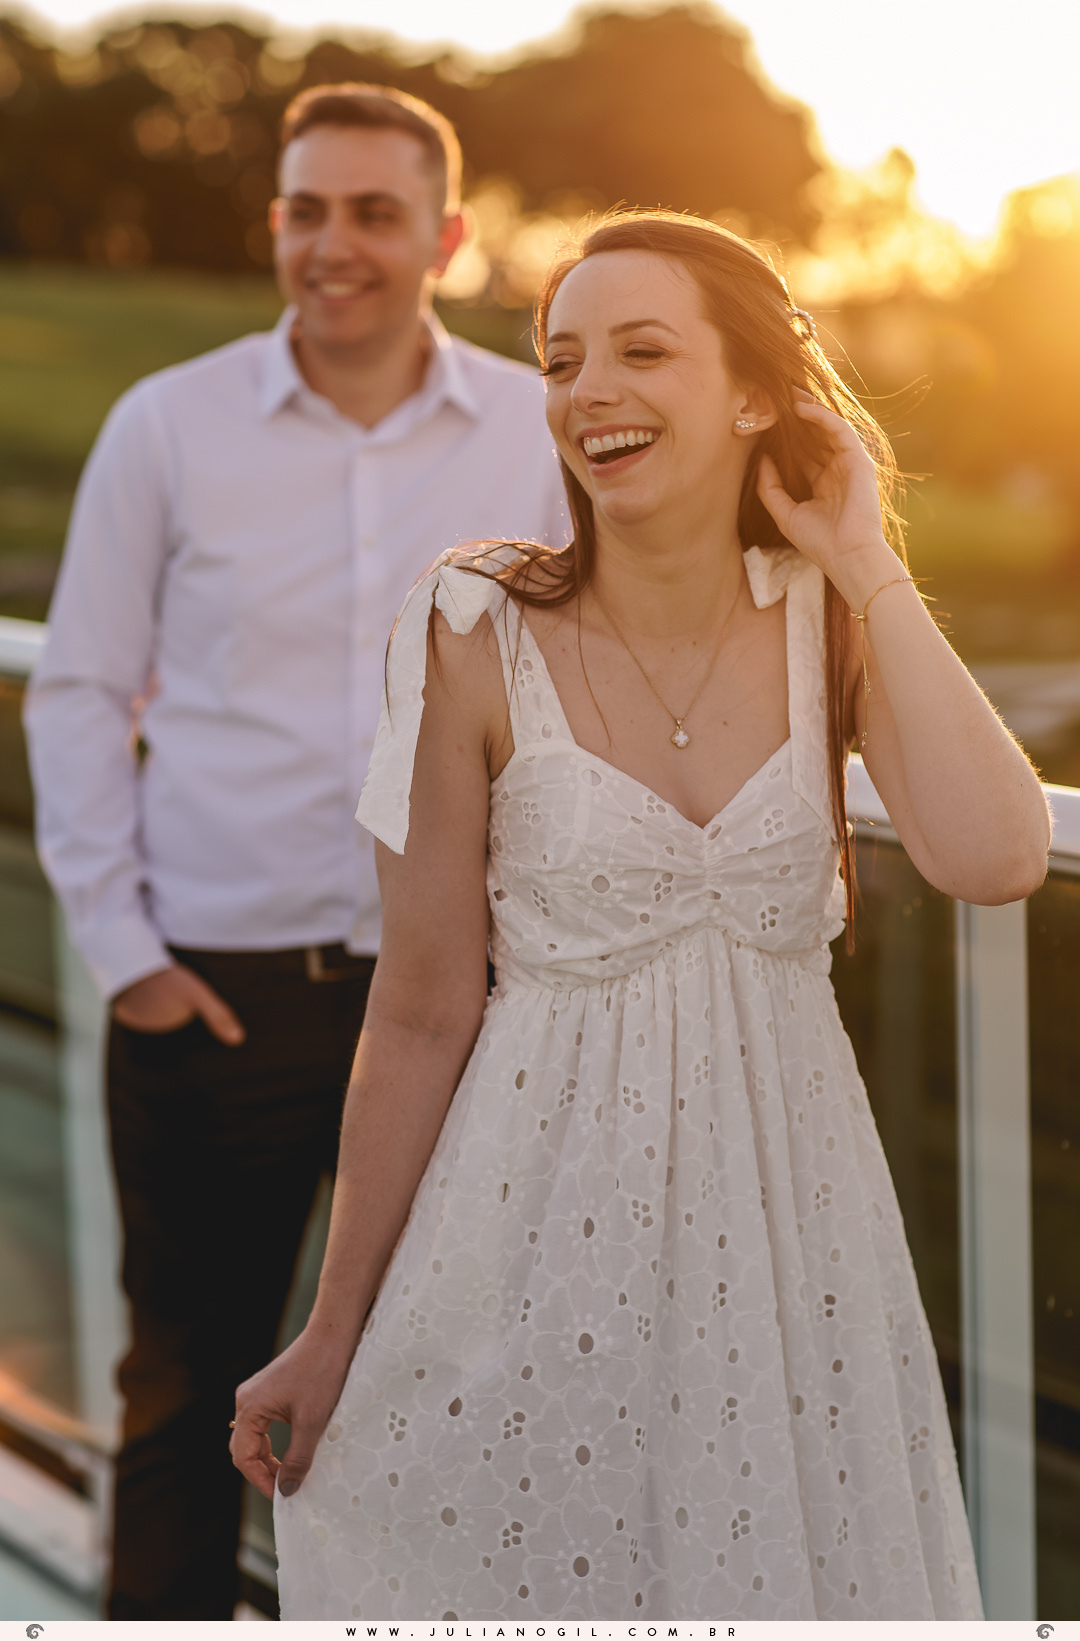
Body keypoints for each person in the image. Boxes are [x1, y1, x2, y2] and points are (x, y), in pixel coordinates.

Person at [231, 211, 1049, 1620]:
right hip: (528, 1238)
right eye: (561, 360)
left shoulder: (827, 619)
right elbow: (423, 1006)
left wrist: (865, 554)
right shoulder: (469, 625)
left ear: (751, 394)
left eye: (642, 350)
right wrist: (331, 1325)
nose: (586, 389)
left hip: (791, 1252)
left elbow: (996, 852)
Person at [25, 84, 566, 1620]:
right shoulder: (169, 425)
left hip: (468, 1004)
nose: (332, 245)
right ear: (275, 224)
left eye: (373, 213)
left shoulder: (538, 434)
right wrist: (129, 958)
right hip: (219, 994)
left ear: (447, 241)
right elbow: (76, 690)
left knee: (454, 1388)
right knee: (187, 1381)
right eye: (303, 211)